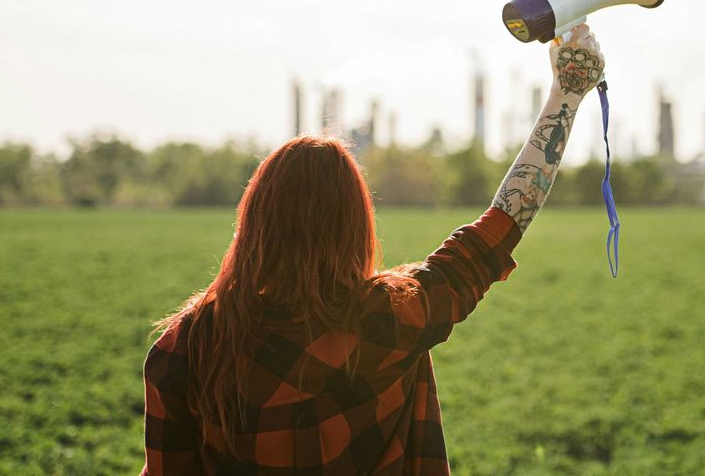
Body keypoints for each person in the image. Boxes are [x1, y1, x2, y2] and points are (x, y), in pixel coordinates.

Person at [142, 25, 606, 475]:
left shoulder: (186, 348)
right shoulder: (391, 319)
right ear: (355, 226)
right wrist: (566, 92)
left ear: (254, 223)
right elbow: (503, 223)